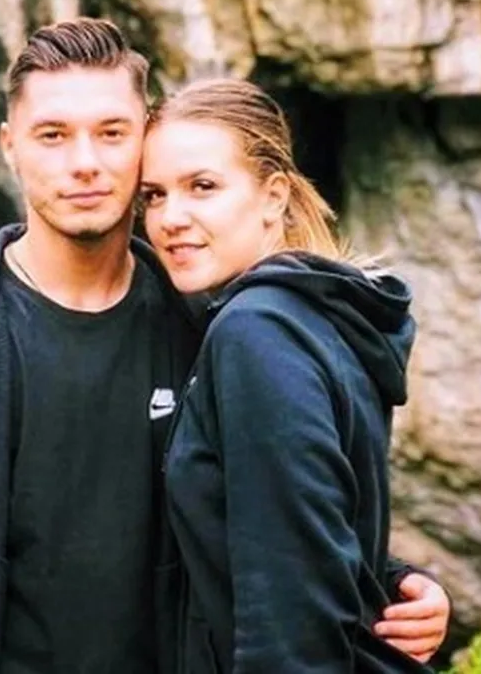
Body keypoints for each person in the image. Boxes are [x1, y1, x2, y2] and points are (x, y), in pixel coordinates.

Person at [0, 17, 450, 674]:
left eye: (111, 133)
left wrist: (394, 585)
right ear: (10, 146)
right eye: (52, 135)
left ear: (144, 142)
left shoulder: (203, 320)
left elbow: (265, 515)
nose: (84, 162)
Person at [139, 75, 438, 672]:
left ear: (274, 196)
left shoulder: (256, 331)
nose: (171, 217)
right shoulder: (318, 313)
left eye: (202, 186)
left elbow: (291, 605)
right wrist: (392, 578)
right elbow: (316, 523)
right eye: (153, 195)